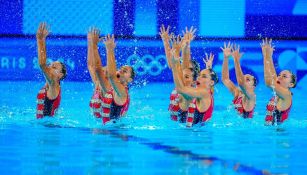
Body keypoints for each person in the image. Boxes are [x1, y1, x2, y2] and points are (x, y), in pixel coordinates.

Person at [89, 28, 135, 124]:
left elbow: (110, 75)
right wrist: (91, 44)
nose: (122, 70)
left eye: (125, 71)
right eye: (121, 68)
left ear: (130, 80)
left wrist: (109, 50)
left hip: (116, 133)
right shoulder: (104, 85)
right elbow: (93, 67)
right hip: (102, 129)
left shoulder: (122, 92)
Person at [160, 25, 200, 122]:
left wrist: (186, 46)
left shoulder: (189, 93)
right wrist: (166, 43)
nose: (185, 69)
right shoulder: (181, 81)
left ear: (194, 79)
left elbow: (182, 63)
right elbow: (173, 64)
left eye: (189, 71)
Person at [171, 50, 218, 127]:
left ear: (211, 82)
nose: (198, 78)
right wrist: (209, 68)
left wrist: (174, 66)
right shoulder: (207, 91)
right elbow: (210, 85)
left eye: (203, 76)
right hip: (200, 131)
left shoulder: (203, 92)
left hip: (198, 134)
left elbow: (180, 89)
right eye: (199, 75)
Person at [261, 38, 297, 125]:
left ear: (291, 84)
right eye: (279, 75)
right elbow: (273, 78)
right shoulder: (278, 94)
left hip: (280, 135)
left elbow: (269, 82)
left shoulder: (286, 94)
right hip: (272, 133)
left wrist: (267, 56)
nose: (279, 77)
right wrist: (267, 56)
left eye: (284, 76)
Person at [36, 22, 67, 119]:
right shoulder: (50, 85)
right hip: (46, 126)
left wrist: (40, 39)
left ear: (60, 75)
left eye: (54, 67)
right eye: (51, 65)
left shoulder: (54, 84)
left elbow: (42, 64)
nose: (49, 67)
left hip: (48, 129)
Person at [221, 42, 257, 118]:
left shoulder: (251, 97)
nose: (243, 80)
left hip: (246, 128)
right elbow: (225, 79)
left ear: (253, 87)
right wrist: (226, 58)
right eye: (243, 78)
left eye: (247, 80)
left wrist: (236, 61)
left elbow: (241, 82)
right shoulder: (237, 93)